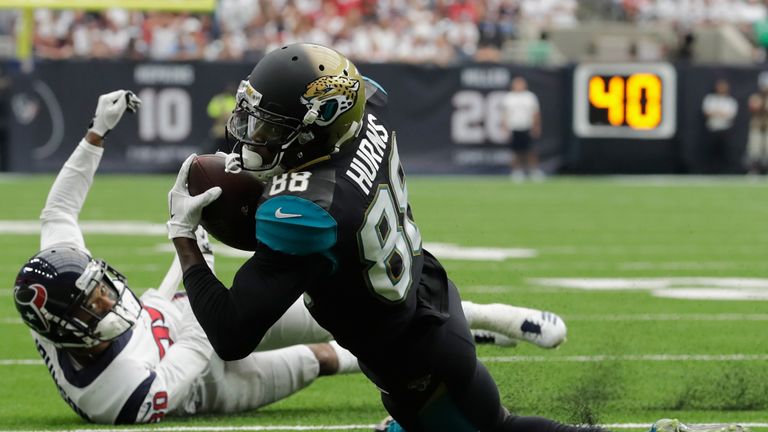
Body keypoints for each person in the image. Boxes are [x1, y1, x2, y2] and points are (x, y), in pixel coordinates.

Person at [13, 90, 567, 425]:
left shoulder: (59, 293)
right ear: (66, 330)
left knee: (324, 313)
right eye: (93, 302)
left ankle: (486, 316)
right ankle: (457, 353)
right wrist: (187, 251)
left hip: (175, 318)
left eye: (99, 287)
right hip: (210, 380)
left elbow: (57, 212)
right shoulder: (114, 398)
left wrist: (95, 134)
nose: (107, 296)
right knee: (323, 355)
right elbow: (209, 345)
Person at [168, 43, 595, 432]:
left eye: (271, 127)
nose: (253, 136)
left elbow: (230, 336)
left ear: (317, 126)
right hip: (429, 297)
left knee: (497, 429)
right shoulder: (365, 121)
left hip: (415, 362)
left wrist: (184, 237)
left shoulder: (304, 212)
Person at [501, 76, 543, 182]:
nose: (519, 86)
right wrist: (505, 127)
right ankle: (517, 172)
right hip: (514, 127)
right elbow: (505, 114)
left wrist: (536, 126)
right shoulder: (509, 97)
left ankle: (534, 171)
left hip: (527, 127)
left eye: (521, 84)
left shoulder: (530, 97)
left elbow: (535, 113)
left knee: (530, 150)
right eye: (517, 84)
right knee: (516, 151)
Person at [701, 78, 737, 173]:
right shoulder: (710, 98)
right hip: (713, 129)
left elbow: (730, 115)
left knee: (725, 153)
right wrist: (720, 113)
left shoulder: (730, 101)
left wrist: (716, 112)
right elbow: (707, 112)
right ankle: (709, 171)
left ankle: (725, 172)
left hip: (725, 130)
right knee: (711, 152)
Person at [746, 74, 768, 175]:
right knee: (754, 150)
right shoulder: (755, 97)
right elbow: (753, 107)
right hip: (757, 126)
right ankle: (754, 171)